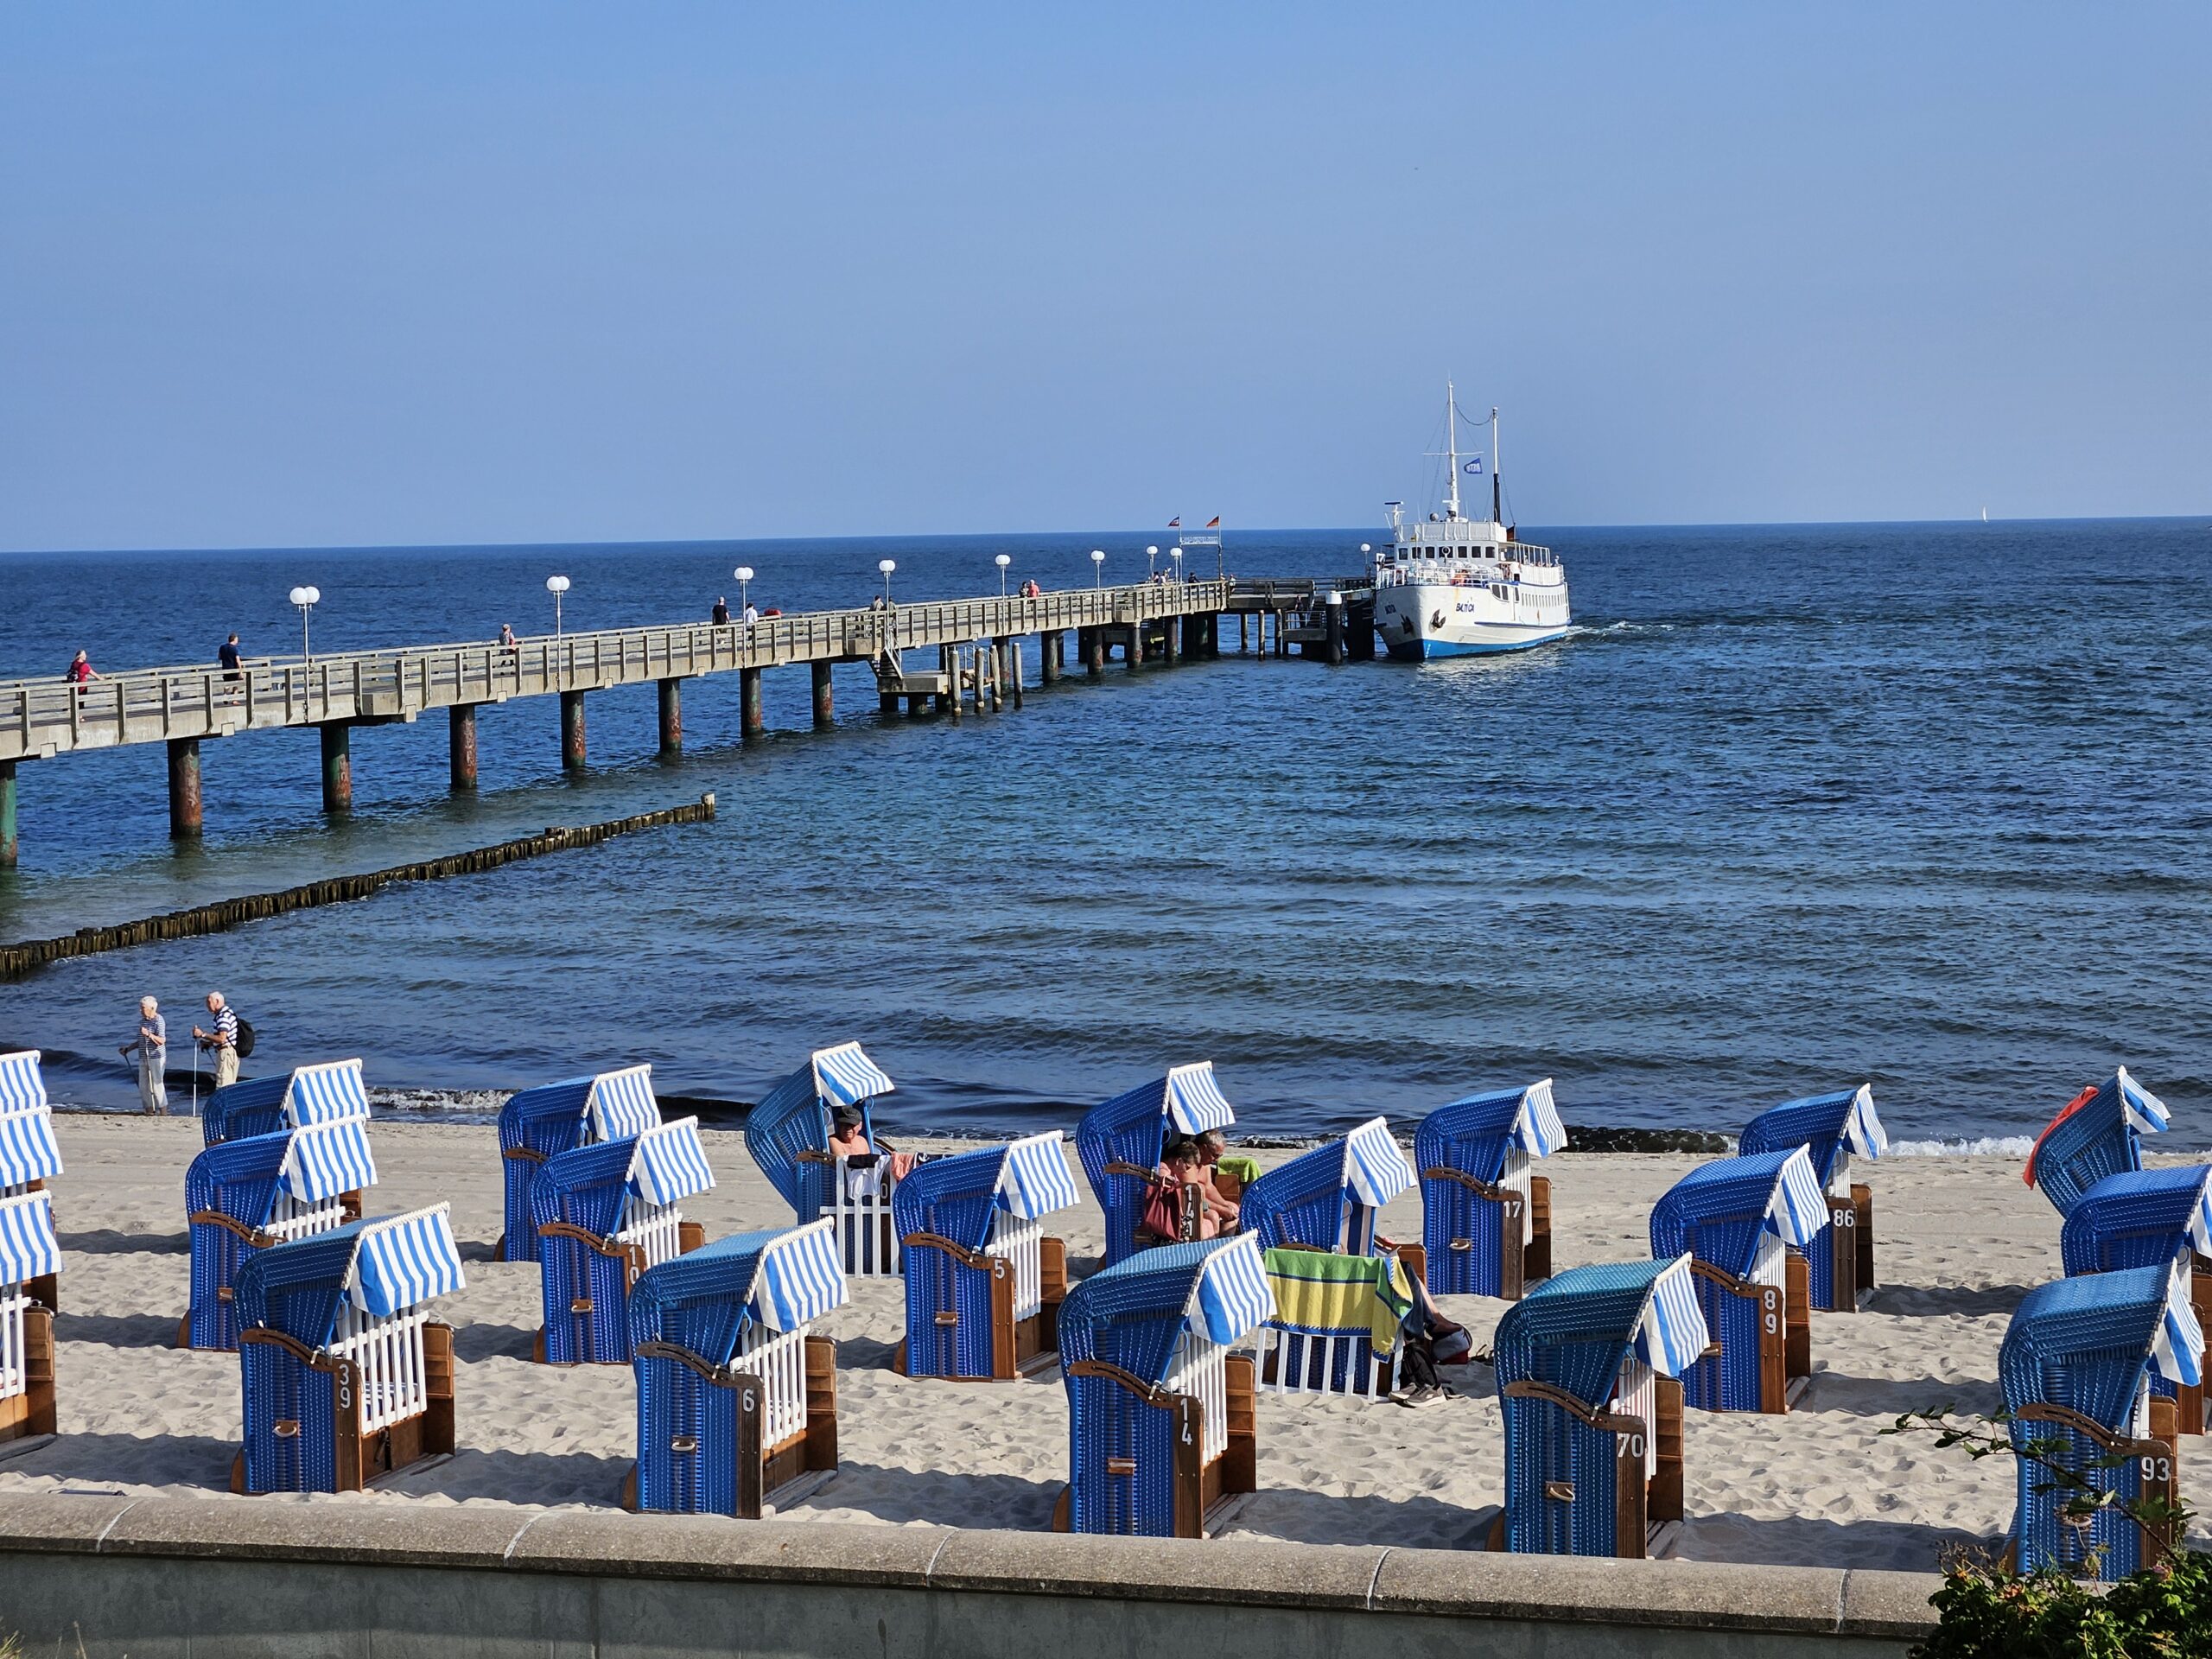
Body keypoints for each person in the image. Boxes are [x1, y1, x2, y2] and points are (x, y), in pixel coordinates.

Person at [826, 1103, 915, 1195]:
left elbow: (870, 1163)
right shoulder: (834, 1140)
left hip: (867, 1181)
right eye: (844, 1124)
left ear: (860, 1126)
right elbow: (843, 1162)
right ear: (839, 1125)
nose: (848, 1128)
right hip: (844, 1183)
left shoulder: (862, 1141)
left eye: (852, 1125)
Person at [118, 995, 167, 1116]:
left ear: (152, 1008)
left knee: (157, 1085)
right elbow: (141, 1041)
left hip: (156, 1056)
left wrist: (149, 1034)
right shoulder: (143, 1021)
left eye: (143, 1008)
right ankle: (149, 1110)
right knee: (143, 1085)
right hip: (143, 1056)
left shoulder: (158, 1020)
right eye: (141, 1008)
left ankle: (163, 1111)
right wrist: (128, 1049)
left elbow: (162, 1040)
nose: (140, 1010)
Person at [193, 991, 239, 1089]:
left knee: (223, 1086)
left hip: (226, 1054)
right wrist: (209, 1043)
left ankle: (224, 1104)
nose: (207, 1006)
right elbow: (225, 1038)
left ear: (217, 1001)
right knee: (229, 1086)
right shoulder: (229, 1013)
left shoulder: (223, 1016)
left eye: (209, 1002)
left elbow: (222, 1039)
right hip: (231, 1052)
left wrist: (202, 1034)